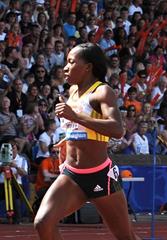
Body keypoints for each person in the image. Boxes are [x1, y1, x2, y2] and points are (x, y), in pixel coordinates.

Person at [34, 43, 139, 240]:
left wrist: (75, 117)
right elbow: (82, 128)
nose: (65, 67)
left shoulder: (102, 91)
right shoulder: (73, 91)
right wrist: (68, 139)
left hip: (100, 176)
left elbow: (117, 129)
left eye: (71, 62)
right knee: (43, 223)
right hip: (72, 175)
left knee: (126, 237)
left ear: (88, 67)